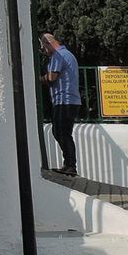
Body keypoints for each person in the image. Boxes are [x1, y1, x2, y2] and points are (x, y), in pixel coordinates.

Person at [40, 33, 82, 177]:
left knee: (61, 132)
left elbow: (52, 77)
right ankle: (69, 164)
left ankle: (70, 165)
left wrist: (38, 78)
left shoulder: (58, 55)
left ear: (48, 43)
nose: (44, 50)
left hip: (64, 100)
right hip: (70, 101)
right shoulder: (68, 54)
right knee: (61, 132)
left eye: (43, 46)